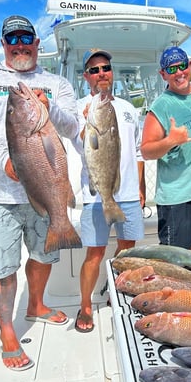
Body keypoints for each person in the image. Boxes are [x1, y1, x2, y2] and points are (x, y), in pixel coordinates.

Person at [0, 15, 80, 370]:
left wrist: (49, 105)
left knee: (43, 256)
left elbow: (72, 127)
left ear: (37, 42)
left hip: (46, 189)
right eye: (13, 39)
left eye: (27, 37)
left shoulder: (57, 83)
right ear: (3, 44)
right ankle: (8, 331)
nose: (20, 44)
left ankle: (36, 304)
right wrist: (3, 160)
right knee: (3, 268)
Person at [73, 49, 145, 333]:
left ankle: (114, 287)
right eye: (94, 70)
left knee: (128, 249)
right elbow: (81, 143)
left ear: (111, 72)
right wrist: (88, 120)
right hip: (97, 194)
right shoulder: (80, 108)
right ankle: (85, 304)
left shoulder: (129, 108)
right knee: (94, 252)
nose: (101, 73)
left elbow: (138, 151)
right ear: (86, 77)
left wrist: (140, 188)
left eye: (105, 68)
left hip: (126, 194)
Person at [141, 46, 191, 251]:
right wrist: (170, 141)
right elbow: (146, 150)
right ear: (163, 74)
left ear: (190, 66)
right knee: (176, 262)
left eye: (182, 66)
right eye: (171, 69)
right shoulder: (161, 106)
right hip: (177, 197)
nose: (179, 73)